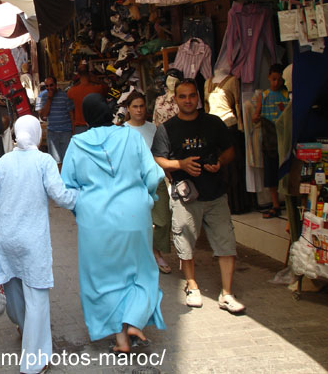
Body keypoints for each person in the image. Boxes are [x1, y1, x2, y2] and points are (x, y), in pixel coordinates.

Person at [61, 93, 165, 353]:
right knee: (141, 270)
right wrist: (147, 198)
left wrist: (82, 209)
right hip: (134, 214)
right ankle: (134, 319)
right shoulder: (130, 135)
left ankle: (120, 339)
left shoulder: (77, 143)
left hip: (95, 220)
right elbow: (152, 175)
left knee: (103, 278)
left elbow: (66, 187)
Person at [0, 115, 77, 374]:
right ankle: (34, 361)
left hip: (7, 239)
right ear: (35, 133)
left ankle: (24, 329)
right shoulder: (44, 161)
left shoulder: (3, 162)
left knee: (14, 294)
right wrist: (81, 198)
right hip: (33, 242)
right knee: (37, 301)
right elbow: (60, 195)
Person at [151, 79, 245, 313]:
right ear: (176, 100)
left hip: (215, 193)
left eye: (192, 96)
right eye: (183, 97)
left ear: (198, 98)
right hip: (186, 196)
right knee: (185, 243)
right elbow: (158, 158)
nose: (188, 100)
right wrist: (180, 163)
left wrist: (219, 162)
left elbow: (230, 150)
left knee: (226, 242)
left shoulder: (213, 123)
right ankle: (192, 286)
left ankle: (227, 292)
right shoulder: (167, 129)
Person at [124, 91, 172, 275]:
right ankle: (149, 254)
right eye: (135, 106)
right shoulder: (122, 131)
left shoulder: (154, 129)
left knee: (162, 219)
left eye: (141, 106)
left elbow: (161, 154)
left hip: (155, 179)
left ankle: (155, 251)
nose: (138, 110)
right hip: (132, 182)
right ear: (128, 109)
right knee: (137, 220)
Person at [252, 64, 290, 219]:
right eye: (273, 79)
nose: (276, 83)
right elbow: (255, 116)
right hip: (269, 137)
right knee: (271, 172)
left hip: (284, 136)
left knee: (286, 170)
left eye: (279, 80)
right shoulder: (264, 95)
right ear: (269, 77)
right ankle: (275, 204)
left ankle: (289, 203)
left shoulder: (286, 94)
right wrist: (256, 117)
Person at [35, 76, 74, 168]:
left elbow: (71, 114)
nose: (49, 88)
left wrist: (73, 131)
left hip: (66, 132)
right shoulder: (43, 96)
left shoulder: (65, 95)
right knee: (56, 162)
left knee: (67, 160)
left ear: (56, 85)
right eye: (47, 86)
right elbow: (43, 115)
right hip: (52, 132)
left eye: (51, 85)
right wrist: (49, 99)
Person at [67, 60, 104, 134]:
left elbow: (71, 111)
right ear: (88, 74)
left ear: (78, 75)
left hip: (79, 127)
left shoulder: (72, 91)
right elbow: (107, 87)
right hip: (94, 126)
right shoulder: (97, 89)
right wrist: (96, 79)